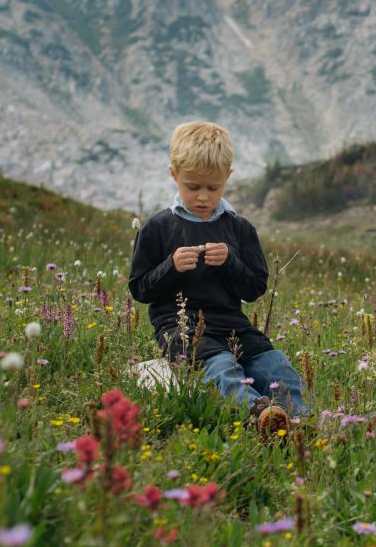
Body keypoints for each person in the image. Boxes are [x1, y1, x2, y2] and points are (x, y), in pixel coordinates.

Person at [128, 121, 308, 433]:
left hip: (234, 326)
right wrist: (170, 266)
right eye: (192, 186)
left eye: (213, 188)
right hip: (179, 328)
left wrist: (230, 262)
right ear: (174, 175)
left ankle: (304, 421)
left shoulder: (240, 228)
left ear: (228, 177)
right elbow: (140, 289)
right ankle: (260, 416)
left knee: (278, 368)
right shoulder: (157, 228)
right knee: (223, 368)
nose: (202, 197)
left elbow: (254, 287)